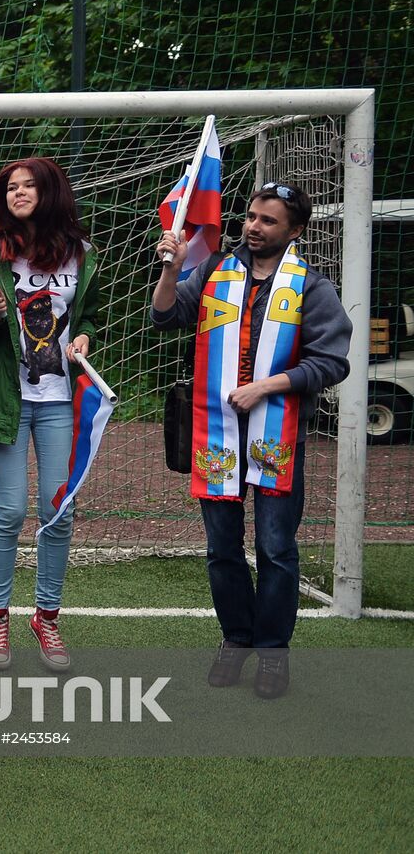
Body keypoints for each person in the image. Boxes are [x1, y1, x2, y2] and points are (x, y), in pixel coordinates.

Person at [151, 181, 351, 699]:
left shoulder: (310, 285)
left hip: (276, 434)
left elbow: (332, 362)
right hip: (217, 431)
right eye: (251, 216)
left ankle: (272, 652)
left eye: (268, 221)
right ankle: (236, 638)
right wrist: (171, 270)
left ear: (295, 231)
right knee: (222, 548)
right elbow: (166, 315)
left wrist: (266, 387)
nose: (254, 226)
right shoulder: (216, 271)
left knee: (275, 548)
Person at [0, 157, 104, 673]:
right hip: (7, 399)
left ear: (50, 191)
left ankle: (46, 616)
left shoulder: (81, 253)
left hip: (60, 400)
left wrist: (85, 334)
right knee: (11, 509)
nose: (18, 193)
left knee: (56, 510)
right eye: (10, 188)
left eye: (27, 185)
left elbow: (88, 313)